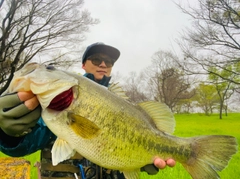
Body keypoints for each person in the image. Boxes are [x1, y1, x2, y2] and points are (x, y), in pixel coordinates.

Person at [0, 42, 175, 178]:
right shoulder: (52, 102)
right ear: (83, 64)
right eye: (97, 59)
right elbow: (21, 146)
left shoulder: (123, 102)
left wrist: (138, 161)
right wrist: (8, 134)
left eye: (109, 61)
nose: (104, 64)